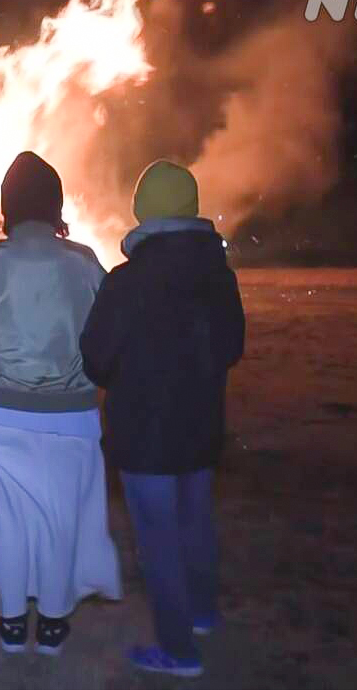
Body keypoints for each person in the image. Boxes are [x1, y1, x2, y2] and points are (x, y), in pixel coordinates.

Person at [0, 151, 122, 655]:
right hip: (71, 413)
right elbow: (107, 332)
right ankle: (51, 624)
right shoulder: (85, 263)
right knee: (61, 517)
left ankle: (10, 623)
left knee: (6, 520)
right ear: (55, 205)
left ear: (9, 207)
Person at [80, 160, 245, 678]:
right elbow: (231, 347)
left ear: (143, 211)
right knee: (196, 521)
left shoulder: (128, 282)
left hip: (145, 434)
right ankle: (202, 614)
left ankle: (178, 651)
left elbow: (97, 358)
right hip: (201, 426)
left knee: (158, 539)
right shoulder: (219, 277)